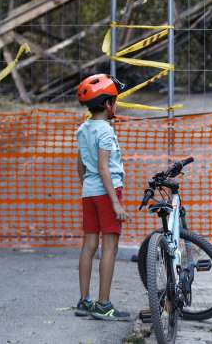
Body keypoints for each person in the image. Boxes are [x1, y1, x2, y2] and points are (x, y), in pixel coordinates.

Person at [74, 74, 130, 321]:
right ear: (108, 105)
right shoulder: (105, 131)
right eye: (115, 101)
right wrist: (115, 203)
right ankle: (104, 304)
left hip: (89, 192)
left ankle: (85, 301)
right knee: (110, 247)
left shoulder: (83, 129)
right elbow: (104, 166)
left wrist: (87, 186)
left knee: (88, 246)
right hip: (108, 193)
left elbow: (80, 165)